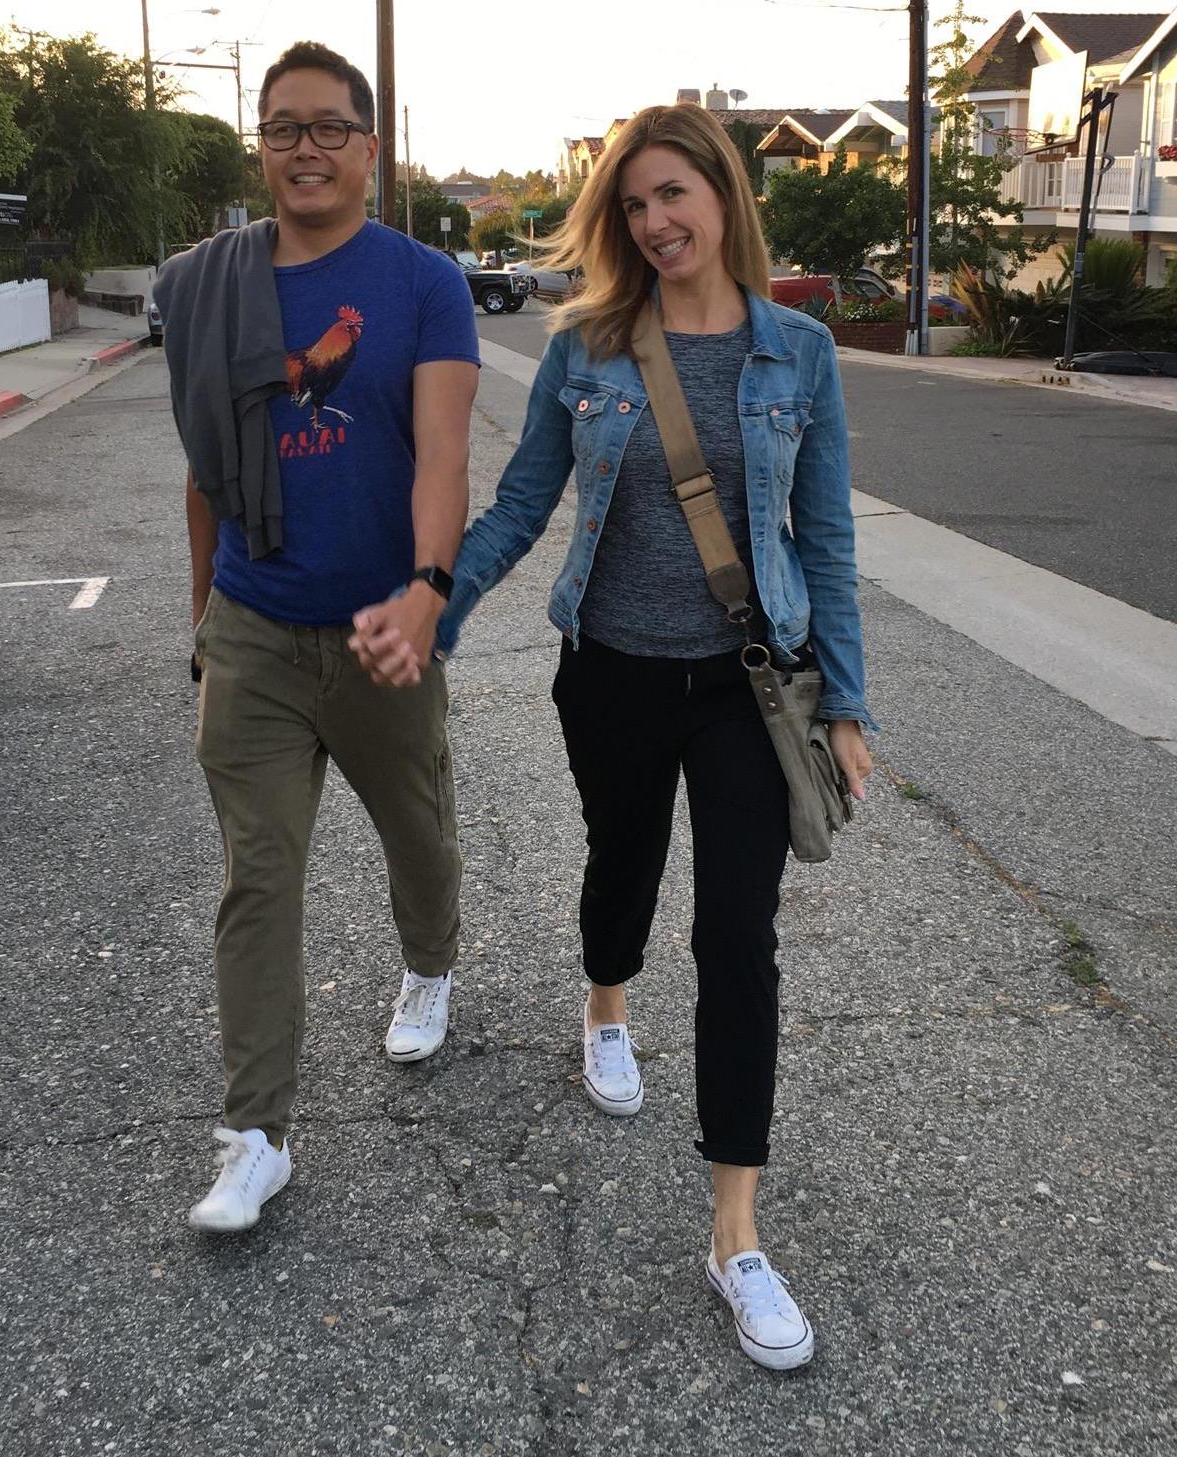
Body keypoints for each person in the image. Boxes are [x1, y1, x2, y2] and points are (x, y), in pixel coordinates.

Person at [351, 102, 874, 1370]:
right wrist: (437, 599)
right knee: (622, 862)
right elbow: (527, 496)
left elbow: (828, 538)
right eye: (633, 204)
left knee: (737, 936)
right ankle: (603, 1006)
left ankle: (734, 1232)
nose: (654, 222)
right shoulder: (589, 345)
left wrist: (847, 700)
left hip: (751, 685)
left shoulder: (798, 352)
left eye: (673, 195)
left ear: (722, 196)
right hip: (614, 672)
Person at [159, 41, 480, 1233]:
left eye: (329, 126)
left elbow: (443, 453)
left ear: (368, 146)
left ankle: (430, 962)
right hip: (253, 625)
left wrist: (429, 590)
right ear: (261, 144)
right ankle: (257, 1132)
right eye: (284, 125)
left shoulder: (421, 281)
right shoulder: (205, 286)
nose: (306, 145)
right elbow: (203, 474)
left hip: (381, 628)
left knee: (418, 832)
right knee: (258, 874)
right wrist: (202, 618)